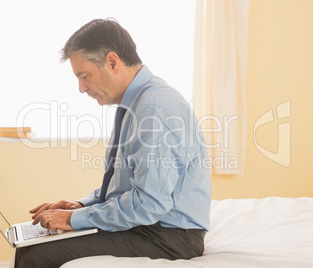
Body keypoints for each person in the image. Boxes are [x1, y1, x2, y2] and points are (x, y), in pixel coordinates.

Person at [14, 18, 211, 268]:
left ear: (112, 62)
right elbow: (130, 185)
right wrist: (82, 205)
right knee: (31, 248)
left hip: (168, 237)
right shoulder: (137, 102)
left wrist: (75, 219)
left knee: (35, 256)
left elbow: (149, 204)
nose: (81, 88)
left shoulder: (154, 109)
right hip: (149, 226)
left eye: (84, 76)